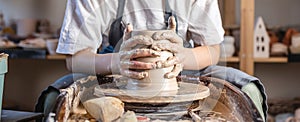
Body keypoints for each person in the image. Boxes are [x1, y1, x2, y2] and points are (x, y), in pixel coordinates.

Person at [37, 0, 267, 121]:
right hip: (110, 74)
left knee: (248, 88)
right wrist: (116, 63)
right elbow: (74, 58)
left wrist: (185, 56)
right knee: (53, 99)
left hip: (182, 73)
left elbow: (213, 49)